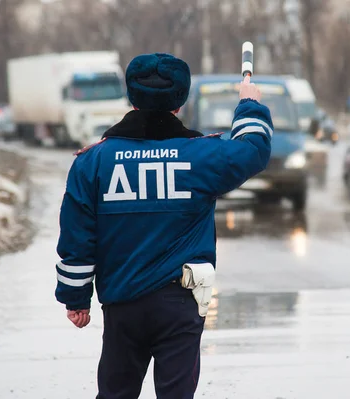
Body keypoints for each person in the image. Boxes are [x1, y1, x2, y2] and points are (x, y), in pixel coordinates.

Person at [54, 52, 273, 398]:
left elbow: (77, 237)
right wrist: (248, 103)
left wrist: (76, 298)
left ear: (131, 96)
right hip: (180, 305)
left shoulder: (93, 161)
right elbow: (254, 150)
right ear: (181, 100)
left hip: (121, 304)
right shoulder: (201, 156)